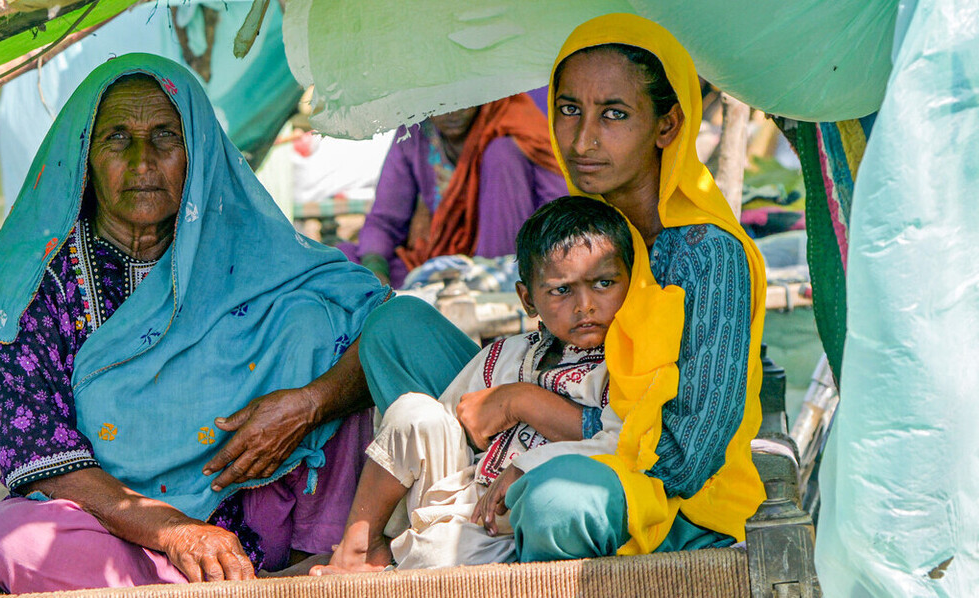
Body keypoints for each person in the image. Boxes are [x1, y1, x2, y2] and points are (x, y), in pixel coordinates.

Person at [0, 54, 391, 592]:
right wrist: (174, 530)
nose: (142, 161)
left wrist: (310, 404)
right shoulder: (29, 286)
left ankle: (309, 562)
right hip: (113, 528)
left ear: (198, 152)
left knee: (322, 322)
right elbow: (38, 455)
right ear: (84, 155)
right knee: (17, 537)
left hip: (254, 526)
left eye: (165, 135)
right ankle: (223, 584)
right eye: (117, 137)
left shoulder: (249, 254)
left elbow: (383, 325)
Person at [353, 13, 768, 564]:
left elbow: (687, 459)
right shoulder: (575, 229)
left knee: (559, 504)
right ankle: (440, 529)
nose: (583, 138)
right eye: (569, 109)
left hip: (659, 497)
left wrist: (529, 424)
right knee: (396, 327)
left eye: (614, 114)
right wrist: (514, 417)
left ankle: (497, 537)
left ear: (667, 125)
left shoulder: (704, 254)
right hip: (528, 449)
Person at [314, 196, 635, 574]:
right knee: (412, 411)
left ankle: (401, 562)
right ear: (528, 299)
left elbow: (626, 442)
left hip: (520, 523)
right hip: (462, 498)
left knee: (437, 556)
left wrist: (526, 458)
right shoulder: (507, 354)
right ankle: (360, 546)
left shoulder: (627, 365)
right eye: (561, 290)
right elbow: (450, 420)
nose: (585, 305)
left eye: (603, 283)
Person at [342, 95, 567, 288]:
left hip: (510, 264)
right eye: (438, 101)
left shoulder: (511, 117)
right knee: (344, 261)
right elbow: (384, 220)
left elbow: (560, 212)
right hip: (440, 259)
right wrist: (376, 270)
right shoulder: (415, 130)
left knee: (502, 153)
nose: (452, 111)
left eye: (461, 98)